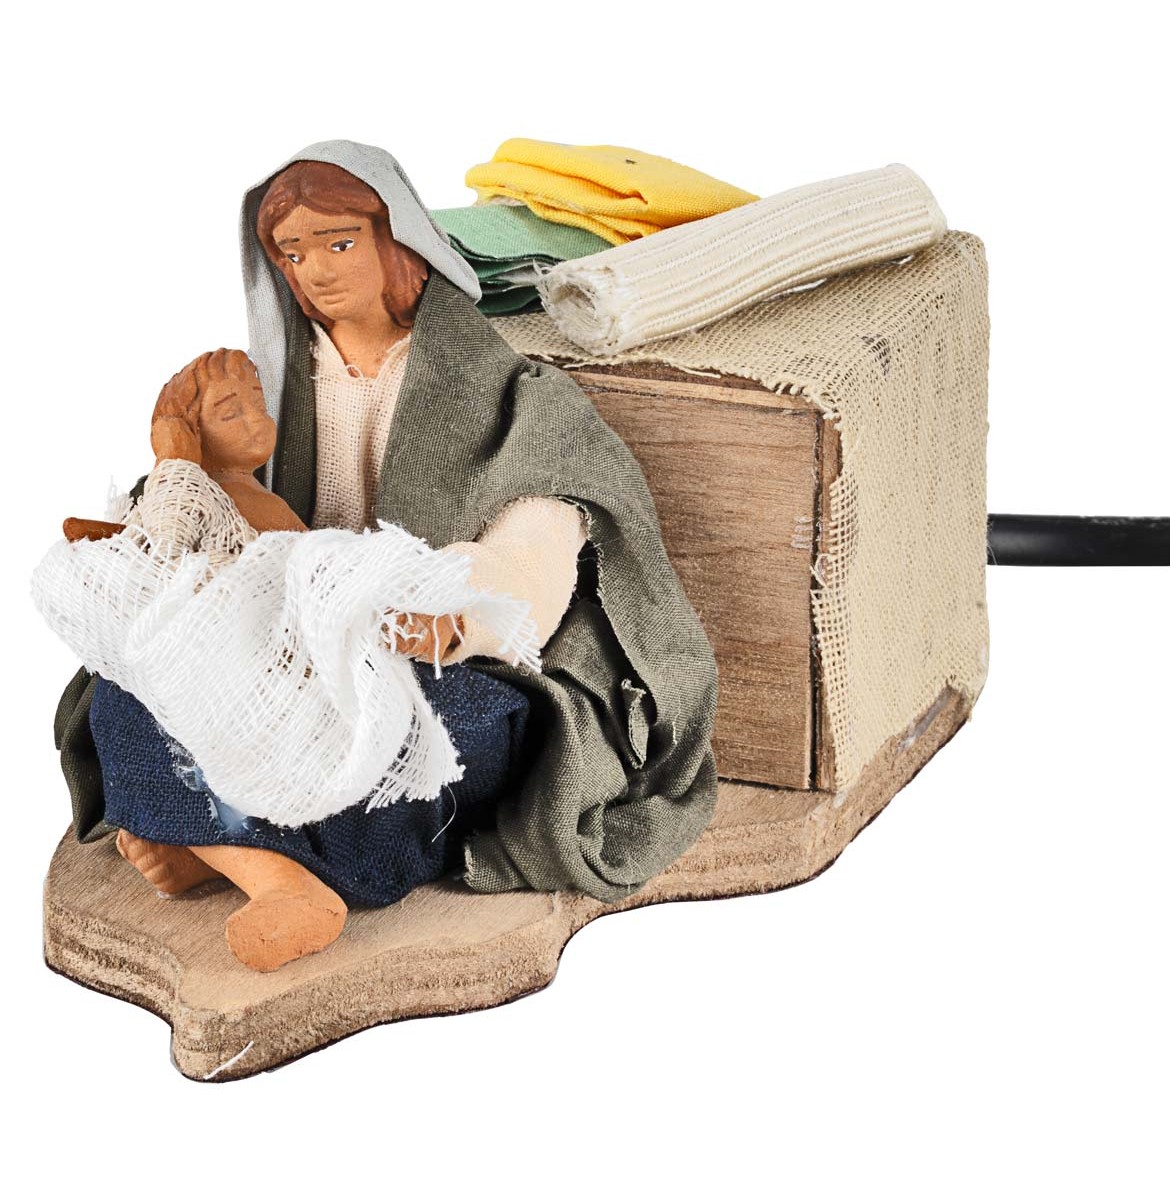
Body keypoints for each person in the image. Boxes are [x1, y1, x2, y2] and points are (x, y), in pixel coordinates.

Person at [56, 139, 719, 946]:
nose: (315, 271)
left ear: (398, 241)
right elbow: (199, 519)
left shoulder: (510, 393)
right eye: (293, 253)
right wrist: (175, 474)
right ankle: (257, 865)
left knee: (428, 740)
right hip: (286, 643)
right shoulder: (269, 389)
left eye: (338, 243)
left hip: (435, 656)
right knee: (129, 680)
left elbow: (539, 540)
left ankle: (211, 834)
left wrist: (456, 612)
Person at [52, 347, 533, 972]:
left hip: (303, 664)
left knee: (452, 720)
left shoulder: (261, 499)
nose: (255, 420)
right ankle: (264, 873)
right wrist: (174, 462)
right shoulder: (184, 498)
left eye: (257, 402)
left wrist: (399, 614)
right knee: (131, 702)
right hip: (236, 668)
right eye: (230, 412)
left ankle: (227, 857)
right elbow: (155, 565)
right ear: (188, 434)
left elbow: (319, 580)